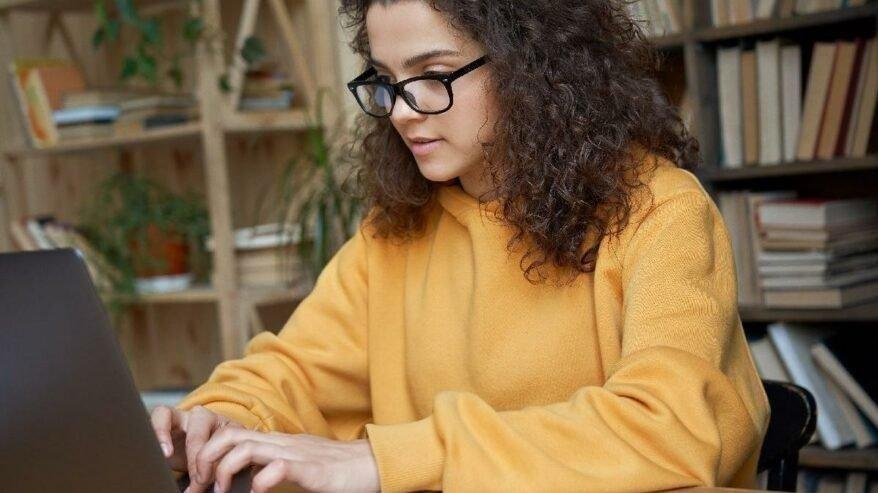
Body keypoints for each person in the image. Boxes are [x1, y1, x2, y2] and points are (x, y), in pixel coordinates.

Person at [151, 1, 770, 492]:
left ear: (533, 66)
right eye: (386, 81)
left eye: (433, 75)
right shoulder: (393, 233)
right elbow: (293, 375)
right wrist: (216, 423)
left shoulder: (660, 210)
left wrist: (386, 461)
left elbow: (670, 429)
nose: (402, 111)